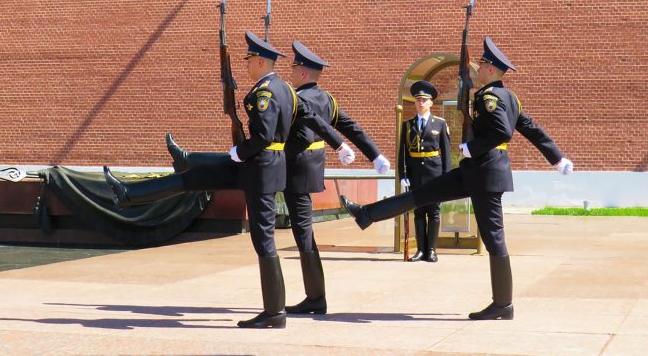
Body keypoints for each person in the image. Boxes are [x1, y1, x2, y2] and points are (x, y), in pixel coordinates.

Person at [104, 30, 356, 329]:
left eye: (249, 60)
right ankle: (130, 193)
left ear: (261, 62)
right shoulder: (287, 89)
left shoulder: (264, 93)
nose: (246, 65)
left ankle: (274, 312)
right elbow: (313, 119)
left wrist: (239, 150)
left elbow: (262, 137)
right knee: (196, 178)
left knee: (264, 239)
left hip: (259, 167)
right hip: (264, 166)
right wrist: (339, 144)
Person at [340, 36, 574, 321]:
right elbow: (532, 129)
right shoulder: (509, 97)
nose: (479, 69)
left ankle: (503, 304)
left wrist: (470, 147)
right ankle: (367, 214)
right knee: (423, 194)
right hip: (475, 172)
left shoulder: (490, 97)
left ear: (490, 70)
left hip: (485, 174)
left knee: (493, 238)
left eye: (482, 65)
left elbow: (503, 132)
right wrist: (556, 157)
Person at [167, 40, 390, 316]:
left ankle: (188, 160)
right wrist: (374, 156)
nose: (291, 73)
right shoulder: (328, 100)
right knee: (304, 234)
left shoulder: (296, 98)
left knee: (245, 182)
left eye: (295, 68)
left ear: (304, 73)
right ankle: (315, 296)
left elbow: (289, 133)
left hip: (285, 167)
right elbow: (352, 128)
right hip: (310, 171)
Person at [398, 81, 451, 262]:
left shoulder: (440, 124)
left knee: (434, 211)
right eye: (417, 100)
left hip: (434, 173)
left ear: (431, 103)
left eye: (424, 100)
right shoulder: (407, 125)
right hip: (415, 174)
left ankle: (432, 250)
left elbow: (446, 153)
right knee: (419, 211)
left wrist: (446, 177)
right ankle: (420, 250)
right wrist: (403, 175)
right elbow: (402, 153)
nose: (420, 103)